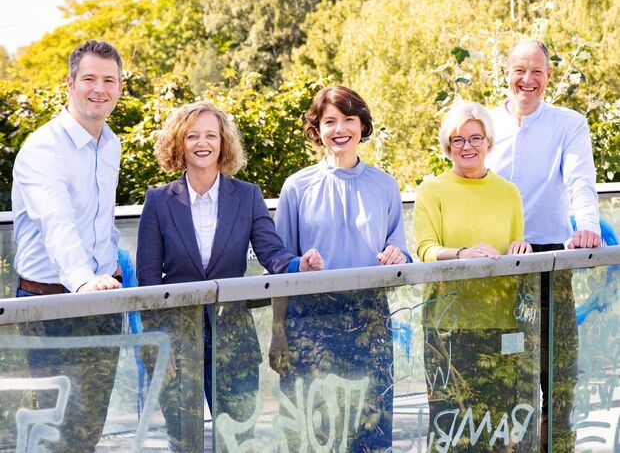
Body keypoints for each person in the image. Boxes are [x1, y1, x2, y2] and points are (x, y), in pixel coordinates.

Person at [136, 101, 323, 450]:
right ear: (179, 143)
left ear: (223, 142)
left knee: (238, 442)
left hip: (233, 340)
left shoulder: (247, 196)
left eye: (210, 134)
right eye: (191, 135)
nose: (201, 142)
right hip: (177, 342)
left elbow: (274, 255)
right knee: (184, 442)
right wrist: (158, 342)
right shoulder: (158, 202)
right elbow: (148, 281)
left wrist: (301, 265)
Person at [269, 85, 410, 451]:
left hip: (371, 321)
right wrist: (277, 332)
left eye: (348, 119)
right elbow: (280, 268)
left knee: (371, 427)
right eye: (329, 121)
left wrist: (397, 256)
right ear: (317, 130)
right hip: (310, 325)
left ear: (362, 125)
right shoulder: (296, 187)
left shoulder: (385, 186)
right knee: (314, 432)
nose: (340, 128)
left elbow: (403, 255)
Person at [486, 39, 601, 451]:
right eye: (520, 70)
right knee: (502, 377)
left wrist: (587, 226)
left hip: (550, 261)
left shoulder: (569, 124)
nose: (528, 80)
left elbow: (580, 181)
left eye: (537, 71)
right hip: (492, 266)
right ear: (506, 73)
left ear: (549, 77)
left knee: (558, 375)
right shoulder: (483, 124)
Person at [12, 40, 124, 452]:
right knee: (55, 433)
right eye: (90, 78)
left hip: (103, 302)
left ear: (120, 87)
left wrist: (110, 277)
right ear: (70, 83)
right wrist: (84, 282)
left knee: (91, 426)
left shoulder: (110, 143)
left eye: (109, 80)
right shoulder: (44, 148)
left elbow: (102, 222)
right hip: (52, 307)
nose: (100, 88)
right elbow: (56, 225)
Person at [414, 101, 533, 450]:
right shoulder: (431, 190)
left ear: (489, 143)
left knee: (499, 424)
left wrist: (520, 251)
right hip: (447, 327)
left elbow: (514, 247)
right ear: (448, 146)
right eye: (458, 140)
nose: (467, 147)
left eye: (475, 138)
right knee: (451, 425)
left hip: (500, 324)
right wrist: (463, 254)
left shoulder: (509, 193)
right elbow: (425, 249)